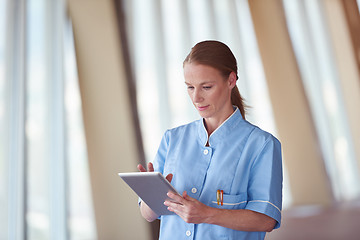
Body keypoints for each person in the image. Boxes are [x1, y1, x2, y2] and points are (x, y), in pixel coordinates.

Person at [137, 40, 283, 240]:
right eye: (190, 87)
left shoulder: (262, 145)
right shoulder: (172, 139)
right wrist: (151, 191)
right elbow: (148, 215)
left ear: (231, 80)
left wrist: (207, 214)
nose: (196, 98)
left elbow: (266, 219)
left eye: (206, 87)